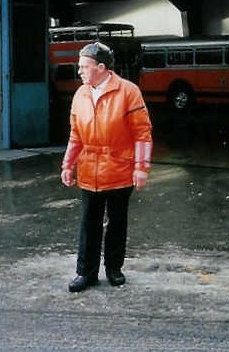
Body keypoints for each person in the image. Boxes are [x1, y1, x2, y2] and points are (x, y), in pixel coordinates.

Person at [61, 41, 153, 293]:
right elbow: (75, 135)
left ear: (100, 67)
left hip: (120, 171)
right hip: (89, 170)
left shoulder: (128, 91)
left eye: (84, 66)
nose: (79, 71)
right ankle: (86, 273)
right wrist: (68, 165)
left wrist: (141, 168)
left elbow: (142, 134)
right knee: (88, 224)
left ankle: (114, 269)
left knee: (117, 222)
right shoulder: (81, 94)